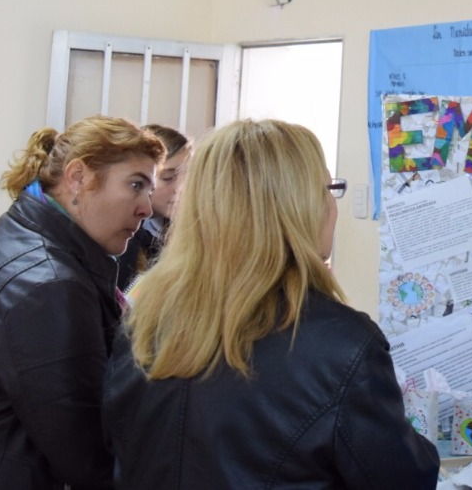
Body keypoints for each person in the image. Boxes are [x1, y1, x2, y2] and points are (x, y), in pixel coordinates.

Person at [104, 118, 439, 488]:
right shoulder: (342, 344)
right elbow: (403, 479)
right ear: (299, 205)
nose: (332, 205)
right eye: (328, 188)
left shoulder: (144, 318)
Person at [0, 116, 164, 490]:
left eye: (149, 190)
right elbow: (88, 457)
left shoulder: (23, 236)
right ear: (78, 178)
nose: (146, 209)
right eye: (136, 185)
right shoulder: (49, 285)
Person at [116, 123, 191, 291]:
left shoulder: (187, 228)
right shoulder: (122, 240)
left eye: (190, 174)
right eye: (168, 177)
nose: (183, 187)